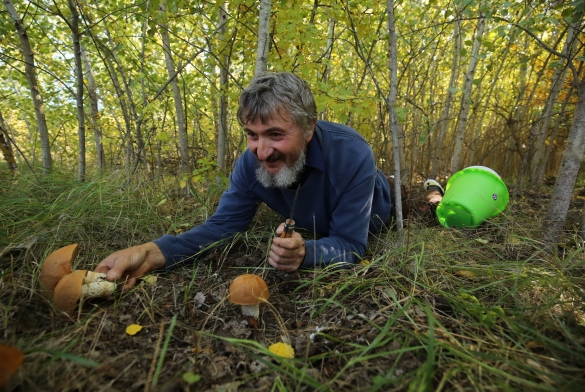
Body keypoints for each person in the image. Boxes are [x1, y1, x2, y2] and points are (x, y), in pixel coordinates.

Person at [94, 72, 440, 289]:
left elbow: (351, 244)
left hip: (382, 202)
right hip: (334, 209)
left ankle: (432, 186)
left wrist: (306, 254)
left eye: (275, 134)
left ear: (308, 130)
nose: (261, 151)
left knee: (424, 206)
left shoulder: (352, 154)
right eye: (252, 135)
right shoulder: (249, 165)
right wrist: (152, 252)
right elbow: (221, 227)